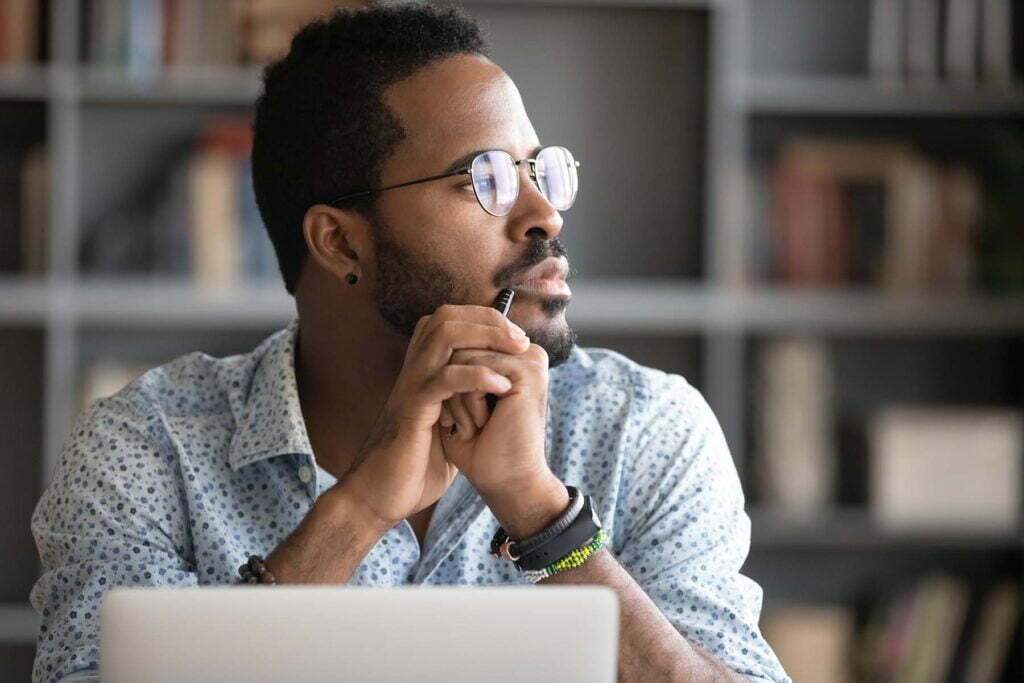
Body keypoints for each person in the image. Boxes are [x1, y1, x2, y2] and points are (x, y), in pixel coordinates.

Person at [29, 3, 790, 682]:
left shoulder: (645, 428)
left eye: (537, 171)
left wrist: (545, 518)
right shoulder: (146, 447)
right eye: (483, 178)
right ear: (339, 242)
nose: (542, 216)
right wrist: (356, 510)